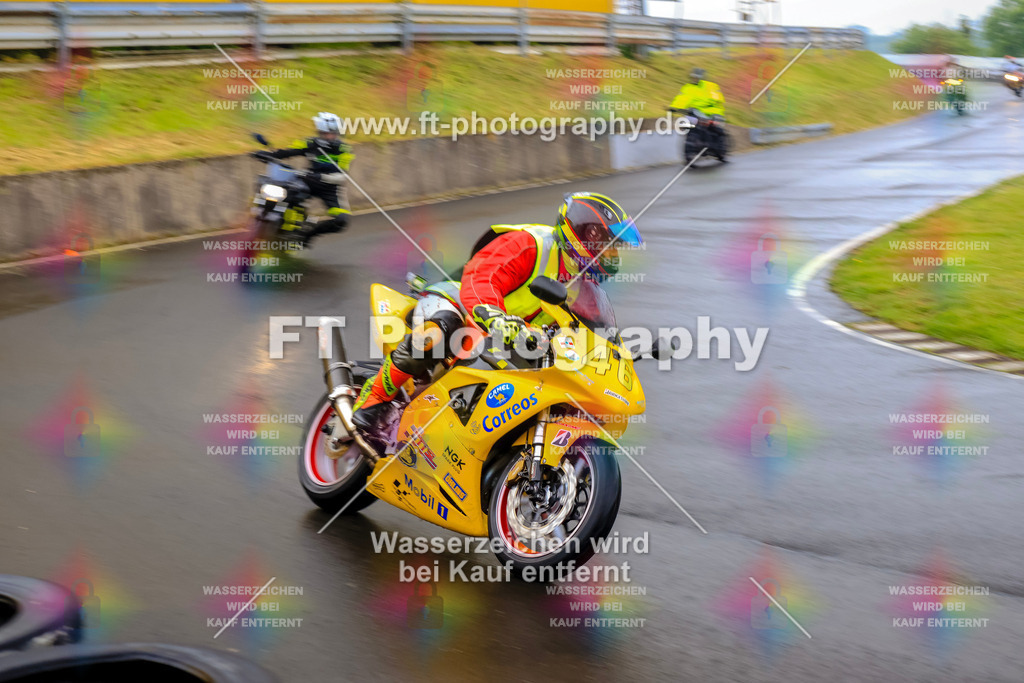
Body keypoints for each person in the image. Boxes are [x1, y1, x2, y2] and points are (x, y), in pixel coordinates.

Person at [350, 191, 643, 433]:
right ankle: (373, 399)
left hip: (509, 341)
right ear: (585, 232)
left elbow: (590, 330)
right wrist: (493, 315)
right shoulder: (532, 243)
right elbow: (482, 276)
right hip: (460, 304)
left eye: (616, 250)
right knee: (442, 331)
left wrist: (616, 352)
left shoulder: (585, 284)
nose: (613, 256)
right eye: (610, 246)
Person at [268, 112, 355, 244]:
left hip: (330, 189)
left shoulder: (344, 150)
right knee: (286, 193)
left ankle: (308, 235)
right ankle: (281, 226)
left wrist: (321, 176)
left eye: (335, 133)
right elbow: (289, 151)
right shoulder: (309, 143)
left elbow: (342, 176)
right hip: (308, 180)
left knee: (341, 220)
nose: (332, 136)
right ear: (320, 132)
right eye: (328, 133)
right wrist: (269, 154)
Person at [669, 68, 728, 158]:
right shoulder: (688, 87)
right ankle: (694, 147)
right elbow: (682, 98)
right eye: (693, 77)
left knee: (714, 128)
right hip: (695, 113)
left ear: (702, 78)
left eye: (696, 77)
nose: (694, 79)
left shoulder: (710, 86)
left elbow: (717, 99)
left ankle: (717, 147)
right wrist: (674, 107)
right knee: (689, 126)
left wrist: (714, 112)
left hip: (710, 113)